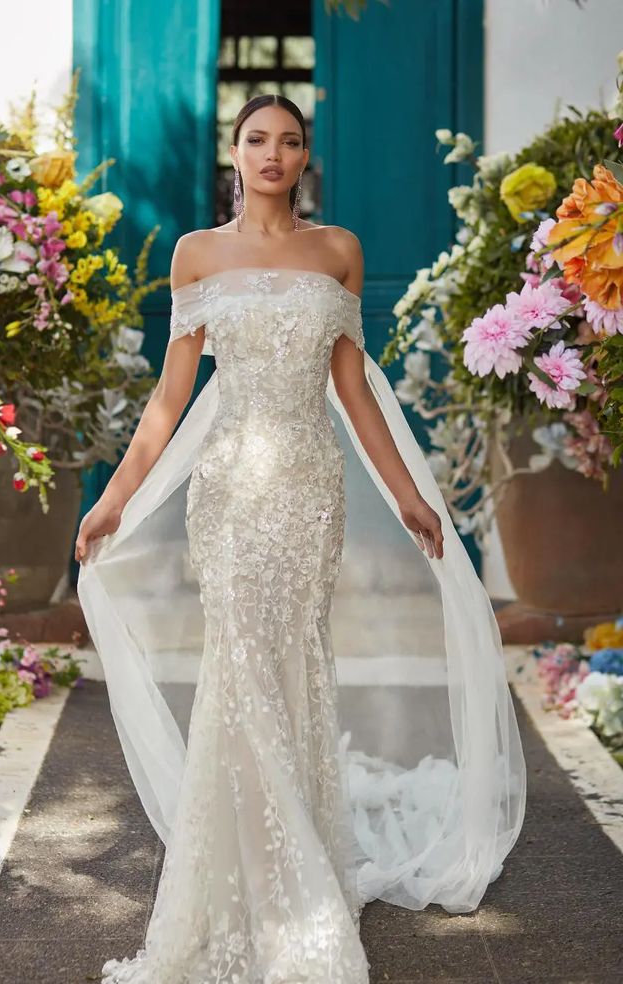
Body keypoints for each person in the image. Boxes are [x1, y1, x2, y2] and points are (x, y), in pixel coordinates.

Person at [75, 94, 526, 984]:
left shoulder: (339, 251)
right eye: (256, 140)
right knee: (239, 664)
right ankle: (270, 884)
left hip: (309, 491)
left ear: (305, 156)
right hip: (232, 494)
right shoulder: (196, 255)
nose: (271, 154)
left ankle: (301, 850)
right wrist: (115, 501)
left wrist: (409, 495)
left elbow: (354, 391)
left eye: (288, 141)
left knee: (294, 661)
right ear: (234, 154)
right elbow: (169, 401)